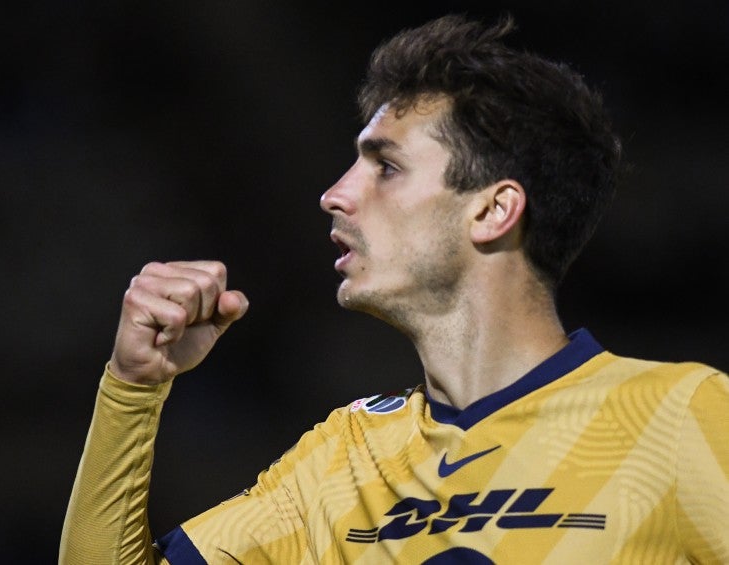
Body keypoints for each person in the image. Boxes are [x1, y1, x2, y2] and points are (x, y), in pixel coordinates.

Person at [59, 14, 728, 564]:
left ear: (493, 211)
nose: (333, 194)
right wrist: (133, 385)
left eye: (385, 166)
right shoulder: (342, 455)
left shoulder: (685, 414)